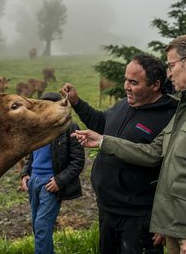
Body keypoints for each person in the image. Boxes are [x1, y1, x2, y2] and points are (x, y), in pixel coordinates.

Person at [72, 34, 186, 254]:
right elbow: (154, 153)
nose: (169, 73)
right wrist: (103, 141)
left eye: (171, 66)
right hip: (175, 229)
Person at [62, 53, 177, 254]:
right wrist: (77, 102)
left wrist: (164, 220)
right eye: (125, 80)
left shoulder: (169, 117)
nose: (126, 86)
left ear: (155, 85)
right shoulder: (125, 104)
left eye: (133, 82)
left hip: (139, 218)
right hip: (107, 209)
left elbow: (169, 170)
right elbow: (102, 123)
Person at [20, 92, 85, 254]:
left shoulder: (70, 128)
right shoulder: (37, 129)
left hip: (51, 184)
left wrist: (59, 181)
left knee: (42, 226)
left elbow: (78, 161)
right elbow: (31, 156)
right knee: (38, 227)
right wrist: (25, 174)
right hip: (34, 182)